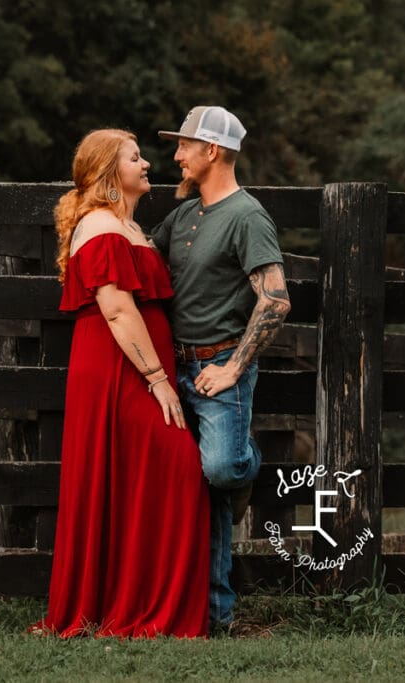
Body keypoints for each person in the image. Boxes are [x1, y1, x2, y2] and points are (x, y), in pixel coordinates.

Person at [29, 129, 210, 639]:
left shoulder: (129, 227)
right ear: (111, 172)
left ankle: (136, 602)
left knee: (145, 477)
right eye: (136, 158)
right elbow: (115, 307)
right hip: (118, 371)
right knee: (178, 466)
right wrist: (157, 379)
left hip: (137, 368)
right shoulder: (101, 226)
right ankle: (136, 606)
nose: (148, 163)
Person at [153, 106, 291, 633]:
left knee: (223, 469)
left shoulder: (247, 216)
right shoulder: (185, 214)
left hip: (217, 368)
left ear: (212, 150)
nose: (176, 154)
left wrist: (234, 368)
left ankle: (246, 463)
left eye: (184, 144)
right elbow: (145, 254)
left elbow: (275, 300)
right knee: (201, 494)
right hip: (173, 367)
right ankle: (215, 616)